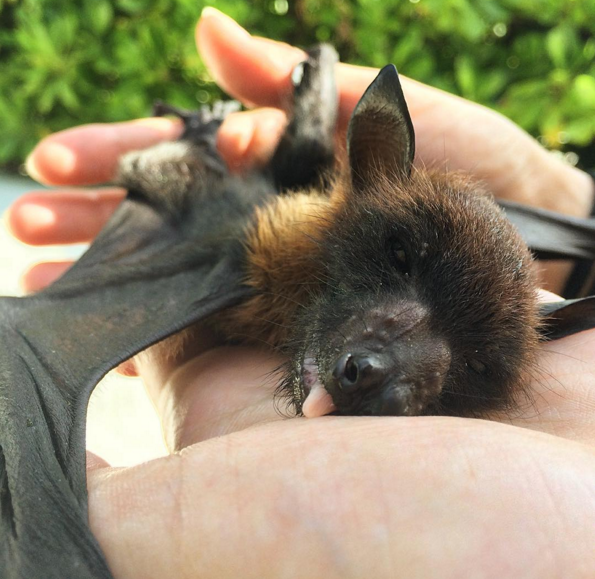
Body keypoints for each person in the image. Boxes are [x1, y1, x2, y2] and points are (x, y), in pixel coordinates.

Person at [8, 8, 595, 578]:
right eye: (394, 266)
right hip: (236, 232)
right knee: (270, 171)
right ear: (373, 152)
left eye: (474, 362)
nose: (388, 370)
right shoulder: (257, 255)